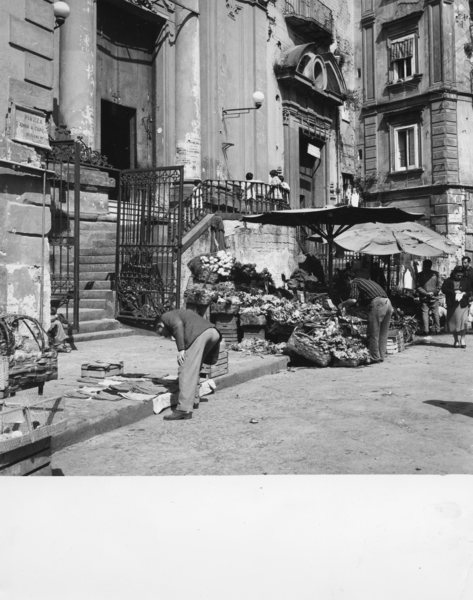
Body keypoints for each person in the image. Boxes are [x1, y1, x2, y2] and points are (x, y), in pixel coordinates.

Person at [156, 308, 222, 420]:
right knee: (195, 367)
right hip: (213, 332)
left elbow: (178, 324)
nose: (165, 336)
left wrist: (181, 349)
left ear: (160, 325)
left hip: (199, 334)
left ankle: (184, 409)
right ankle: (195, 400)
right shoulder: (180, 313)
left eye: (162, 333)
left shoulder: (166, 316)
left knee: (186, 370)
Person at [338, 270, 393, 363]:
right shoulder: (366, 281)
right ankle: (381, 356)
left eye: (346, 282)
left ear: (348, 279)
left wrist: (342, 304)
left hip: (378, 304)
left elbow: (353, 300)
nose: (347, 285)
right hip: (388, 303)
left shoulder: (355, 282)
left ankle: (375, 357)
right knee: (383, 333)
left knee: (374, 332)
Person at [441, 266, 473, 348]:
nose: (459, 276)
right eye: (457, 275)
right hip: (452, 305)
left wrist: (464, 293)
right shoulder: (448, 280)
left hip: (463, 305)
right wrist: (454, 292)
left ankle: (462, 339)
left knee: (463, 322)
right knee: (454, 323)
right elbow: (444, 289)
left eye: (461, 275)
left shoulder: (467, 281)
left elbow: (470, 291)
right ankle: (456, 340)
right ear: (454, 273)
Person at [416, 259, 441, 336]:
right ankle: (438, 329)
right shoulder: (436, 274)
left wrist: (426, 293)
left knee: (425, 313)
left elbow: (418, 287)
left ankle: (426, 330)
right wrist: (433, 292)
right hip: (434, 297)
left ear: (424, 265)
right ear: (431, 265)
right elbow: (439, 286)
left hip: (424, 297)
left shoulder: (420, 274)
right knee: (435, 313)